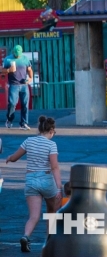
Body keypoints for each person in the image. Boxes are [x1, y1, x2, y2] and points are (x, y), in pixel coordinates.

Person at [3, 115, 61, 253]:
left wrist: (10, 158)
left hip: (31, 180)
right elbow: (54, 167)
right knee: (52, 211)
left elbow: (16, 157)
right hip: (46, 179)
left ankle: (25, 236)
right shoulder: (51, 144)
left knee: (33, 216)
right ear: (51, 131)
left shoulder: (29, 141)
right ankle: (49, 240)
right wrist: (59, 187)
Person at [5, 45, 33, 129]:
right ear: (13, 52)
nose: (17, 55)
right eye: (16, 54)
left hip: (24, 84)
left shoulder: (25, 59)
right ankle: (9, 120)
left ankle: (23, 123)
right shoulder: (8, 59)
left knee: (25, 104)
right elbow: (2, 70)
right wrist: (9, 70)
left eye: (19, 54)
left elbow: (29, 69)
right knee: (12, 103)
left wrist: (31, 78)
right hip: (14, 85)